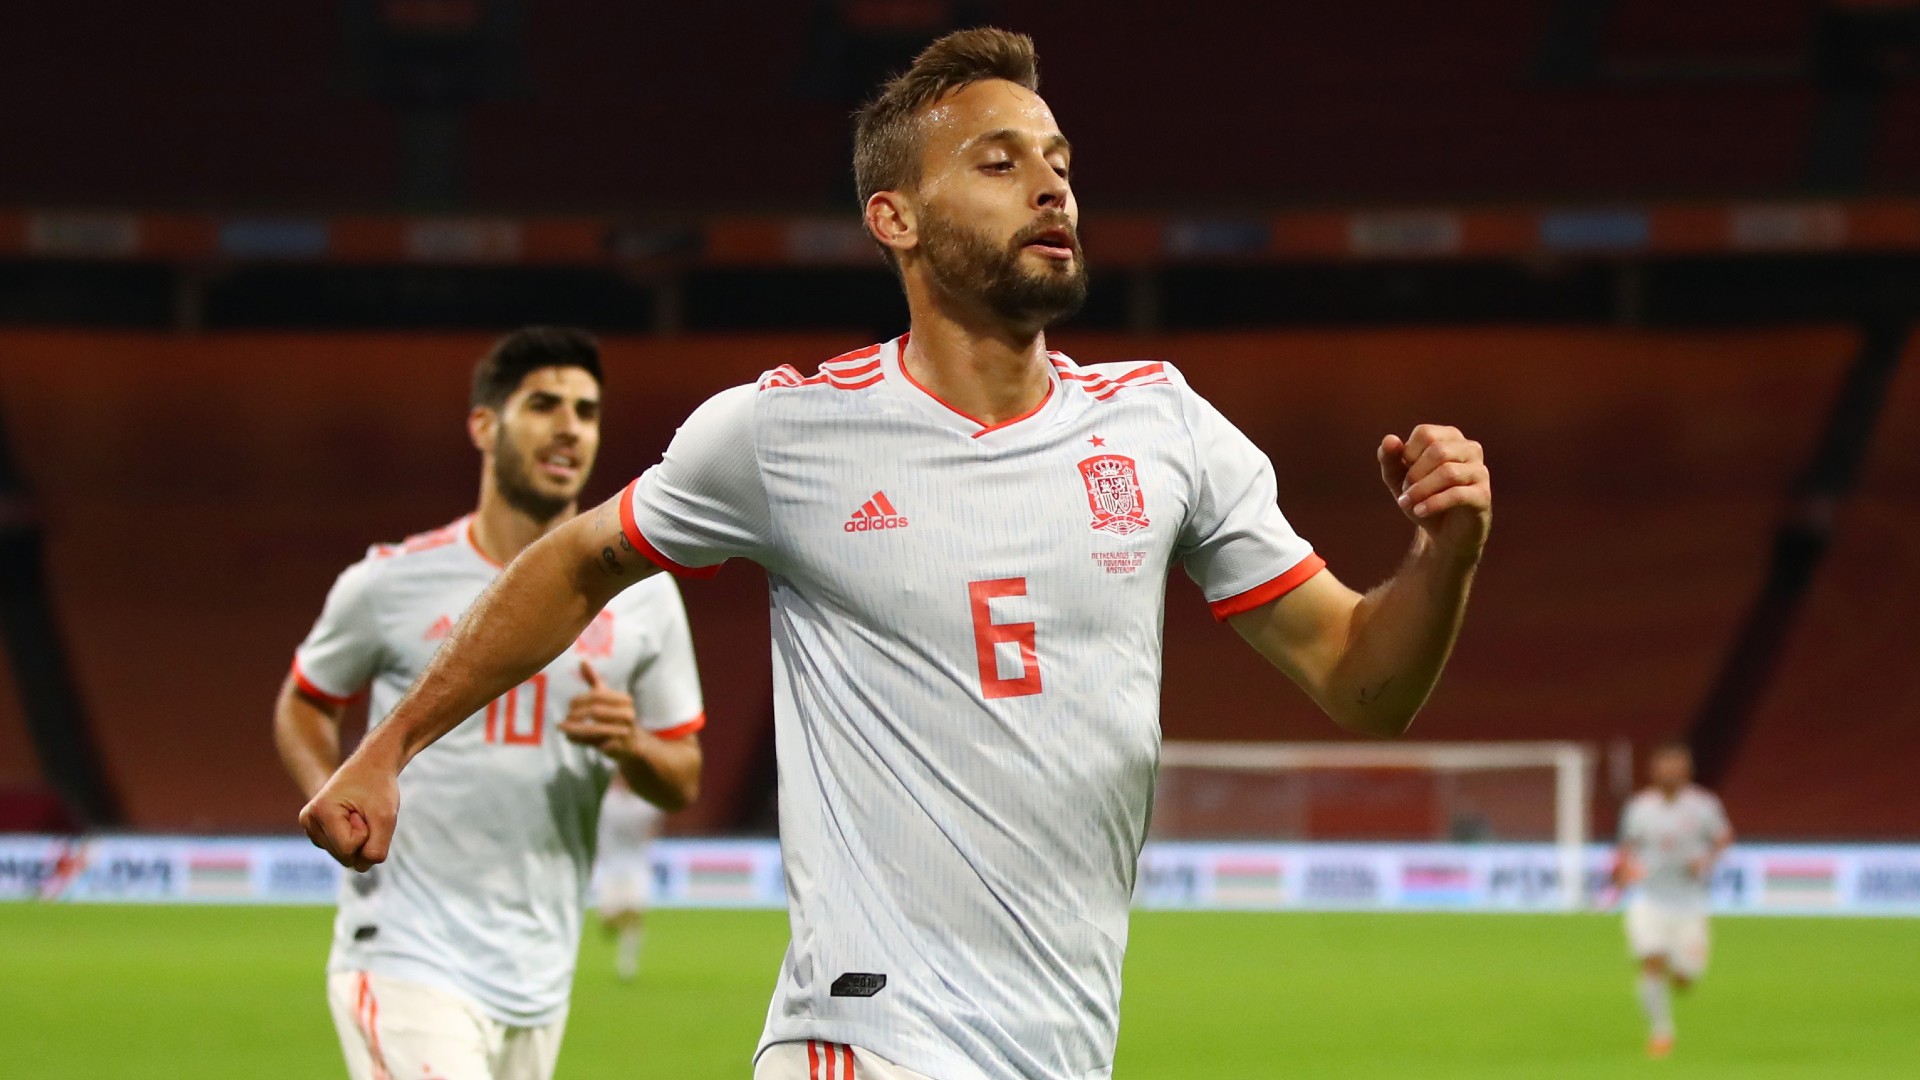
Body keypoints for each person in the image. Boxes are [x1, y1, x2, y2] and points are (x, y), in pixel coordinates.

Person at [301, 30, 1492, 1080]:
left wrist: (1445, 552)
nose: (1052, 187)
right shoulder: (786, 433)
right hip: (864, 1036)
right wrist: (388, 750)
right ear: (896, 219)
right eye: (1000, 163)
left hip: (1063, 1045)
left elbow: (1364, 682)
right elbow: (575, 561)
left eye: (1059, 160)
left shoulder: (1163, 426)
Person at [274, 327, 707, 1080]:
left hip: (540, 967)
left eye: (586, 411)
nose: (570, 427)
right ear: (483, 425)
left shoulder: (645, 598)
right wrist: (333, 789)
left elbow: (682, 776)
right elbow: (304, 701)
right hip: (404, 945)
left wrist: (633, 745)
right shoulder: (389, 582)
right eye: (544, 404)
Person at [1613, 741, 1734, 1059]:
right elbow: (1627, 846)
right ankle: (1661, 1033)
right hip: (1649, 900)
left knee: (1683, 979)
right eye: (1665, 766)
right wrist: (1623, 870)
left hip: (1689, 904)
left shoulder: (1704, 805)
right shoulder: (1639, 807)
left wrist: (1706, 860)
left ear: (1687, 770)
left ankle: (1680, 970)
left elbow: (1723, 837)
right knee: (1652, 961)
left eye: (1677, 767)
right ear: (1654, 770)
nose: (1670, 772)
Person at [593, 775, 666, 981]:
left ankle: (627, 965)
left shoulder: (644, 804)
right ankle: (612, 923)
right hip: (610, 865)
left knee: (634, 914)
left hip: (637, 865)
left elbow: (656, 822)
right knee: (609, 919)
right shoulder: (608, 802)